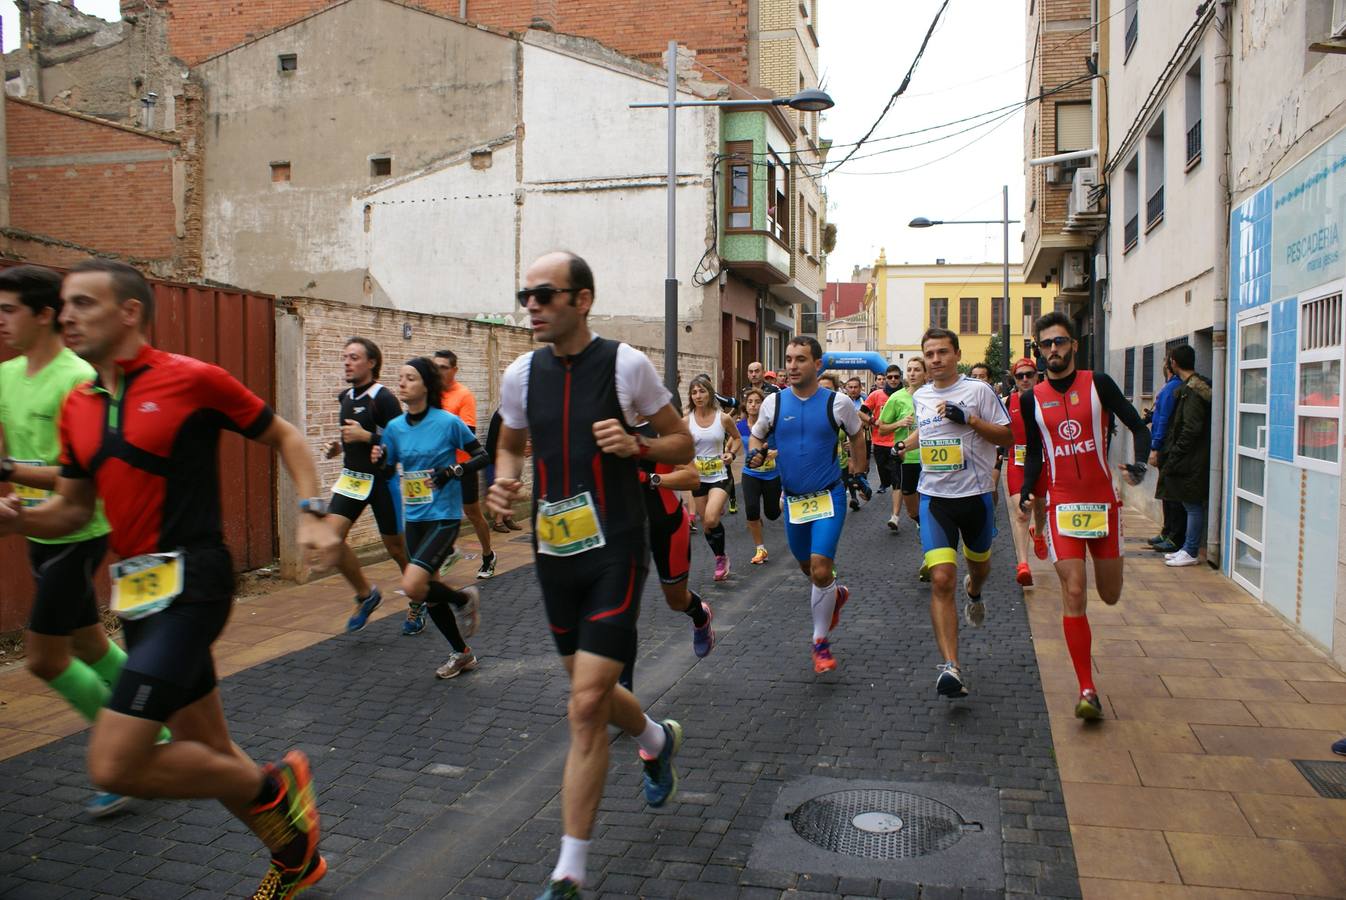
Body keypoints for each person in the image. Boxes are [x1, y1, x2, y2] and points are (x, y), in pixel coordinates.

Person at [0, 259, 341, 898]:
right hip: (136, 593)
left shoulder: (193, 380)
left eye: (83, 304)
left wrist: (313, 512)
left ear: (129, 312)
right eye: (64, 305)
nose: (67, 315)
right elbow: (73, 508)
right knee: (204, 745)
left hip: (195, 584)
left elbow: (287, 438)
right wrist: (14, 524)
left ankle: (276, 787)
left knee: (115, 763)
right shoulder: (79, 406)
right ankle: (296, 857)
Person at [486, 251, 694, 900]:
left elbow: (682, 442)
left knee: (583, 708)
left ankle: (569, 871)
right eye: (526, 296)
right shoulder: (519, 375)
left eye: (545, 295)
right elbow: (510, 441)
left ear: (582, 300)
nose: (532, 306)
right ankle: (658, 740)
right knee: (591, 692)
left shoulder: (627, 365)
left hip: (617, 549)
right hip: (555, 556)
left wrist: (639, 447)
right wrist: (503, 481)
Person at [0, 264, 153, 818]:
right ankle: (151, 732)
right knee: (88, 644)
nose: (0, 321)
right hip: (35, 529)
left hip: (80, 529)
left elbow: (78, 476)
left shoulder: (76, 380)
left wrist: (10, 471)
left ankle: (127, 756)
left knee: (43, 658)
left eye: (9, 310)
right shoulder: (7, 376)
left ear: (43, 315)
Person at [1017, 312, 1150, 719]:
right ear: (1038, 351)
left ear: (1073, 344)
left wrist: (1140, 464)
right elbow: (1037, 451)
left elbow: (1138, 427)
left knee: (1108, 595)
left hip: (1103, 504)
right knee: (1074, 591)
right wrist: (1026, 488)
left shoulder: (1099, 384)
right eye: (1045, 345)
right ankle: (1087, 690)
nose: (1053, 350)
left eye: (1059, 342)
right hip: (1062, 504)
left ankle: (1088, 684)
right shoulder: (1030, 399)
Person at [896, 328, 1011, 699]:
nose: (934, 360)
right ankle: (952, 667)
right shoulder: (922, 396)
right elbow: (929, 434)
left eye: (942, 352)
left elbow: (1007, 437)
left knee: (978, 569)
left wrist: (971, 420)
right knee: (942, 578)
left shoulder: (979, 392)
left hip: (976, 498)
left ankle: (974, 592)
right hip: (936, 500)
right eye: (929, 354)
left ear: (957, 354)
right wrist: (905, 444)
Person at [747, 336, 865, 675]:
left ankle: (819, 641)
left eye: (801, 359)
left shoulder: (838, 403)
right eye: (788, 359)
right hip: (795, 501)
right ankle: (835, 594)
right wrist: (756, 450)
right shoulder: (774, 404)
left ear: (818, 364)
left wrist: (858, 468)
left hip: (829, 494)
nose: (792, 365)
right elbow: (757, 434)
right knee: (809, 571)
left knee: (820, 568)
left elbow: (857, 434)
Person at [373, 358, 489, 677]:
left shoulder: (447, 422)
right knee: (427, 589)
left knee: (413, 585)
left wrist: (454, 470)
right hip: (415, 517)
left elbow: (482, 456)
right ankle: (461, 652)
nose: (402, 383)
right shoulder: (395, 428)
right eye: (400, 378)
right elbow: (386, 471)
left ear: (426, 384)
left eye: (410, 378)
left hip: (443, 516)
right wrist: (379, 459)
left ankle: (463, 599)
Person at [322, 337, 410, 634]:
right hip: (352, 480)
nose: (347, 362)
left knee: (396, 549)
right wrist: (338, 447)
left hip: (382, 481)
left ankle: (419, 599)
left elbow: (402, 440)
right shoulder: (345, 396)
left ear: (371, 363)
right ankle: (365, 594)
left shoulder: (383, 397)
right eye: (345, 356)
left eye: (354, 357)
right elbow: (352, 436)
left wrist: (369, 438)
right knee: (331, 541)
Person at [635, 425, 715, 658]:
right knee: (623, 604)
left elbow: (692, 478)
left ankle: (700, 616)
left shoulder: (663, 427)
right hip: (625, 528)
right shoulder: (607, 421)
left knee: (676, 600)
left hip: (666, 525)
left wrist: (650, 478)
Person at [433, 350, 498, 579]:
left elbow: (466, 433)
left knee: (472, 513)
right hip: (439, 468)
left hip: (462, 466)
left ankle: (488, 555)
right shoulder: (433, 395)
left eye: (443, 367)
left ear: (454, 370)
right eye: (436, 367)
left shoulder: (463, 395)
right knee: (437, 512)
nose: (438, 371)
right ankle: (450, 551)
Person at [1156, 344, 1211, 568]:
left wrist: (1175, 453)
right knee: (1188, 504)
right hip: (1189, 457)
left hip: (1191, 459)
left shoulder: (1192, 392)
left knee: (1192, 505)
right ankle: (1186, 547)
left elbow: (1190, 428)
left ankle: (1190, 549)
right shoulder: (1190, 388)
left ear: (1174, 363)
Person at [686, 374, 739, 581]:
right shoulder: (686, 419)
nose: (698, 396)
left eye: (702, 391)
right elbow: (677, 443)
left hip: (719, 475)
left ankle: (719, 558)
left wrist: (731, 454)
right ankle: (721, 556)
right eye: (694, 392)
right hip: (698, 478)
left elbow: (736, 439)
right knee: (707, 525)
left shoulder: (722, 418)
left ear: (710, 393)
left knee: (710, 518)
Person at [1005, 358, 1049, 586]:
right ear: (1014, 379)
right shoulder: (1007, 401)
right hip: (1018, 464)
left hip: (1042, 464)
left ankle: (1039, 533)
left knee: (1040, 510)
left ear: (1037, 376)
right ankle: (1023, 564)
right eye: (1020, 376)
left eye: (1029, 375)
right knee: (1022, 513)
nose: (1025, 379)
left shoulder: (1048, 400)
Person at [736, 387, 781, 564]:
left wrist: (775, 453)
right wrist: (729, 453)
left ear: (763, 405)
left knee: (772, 514)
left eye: (757, 402)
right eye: (750, 402)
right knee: (751, 510)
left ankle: (779, 503)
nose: (753, 405)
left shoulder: (772, 426)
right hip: (751, 474)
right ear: (745, 406)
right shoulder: (740, 426)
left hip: (772, 475)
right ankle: (760, 549)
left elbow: (785, 444)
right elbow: (732, 441)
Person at [1147, 357, 1185, 553]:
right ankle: (1167, 531)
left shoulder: (1172, 389)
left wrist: (1155, 446)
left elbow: (1163, 420)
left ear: (1171, 364)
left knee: (1171, 493)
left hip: (1168, 448)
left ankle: (1173, 536)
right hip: (1168, 447)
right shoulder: (1171, 387)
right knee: (1166, 492)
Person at [969, 363, 1005, 508]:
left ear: (989, 379)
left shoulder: (997, 400)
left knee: (990, 487)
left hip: (995, 449)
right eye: (974, 376)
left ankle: (991, 515)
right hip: (974, 450)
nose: (978, 380)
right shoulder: (965, 400)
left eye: (982, 376)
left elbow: (1004, 428)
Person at [864, 365, 903, 496]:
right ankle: (884, 483)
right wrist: (873, 421)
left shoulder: (906, 394)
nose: (893, 380)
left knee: (896, 472)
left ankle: (897, 491)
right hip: (879, 440)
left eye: (896, 377)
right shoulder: (876, 395)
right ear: (886, 378)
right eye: (890, 377)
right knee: (882, 469)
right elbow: (861, 413)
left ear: (900, 378)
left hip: (899, 441)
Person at [483, 409, 523, 533]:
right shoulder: (504, 414)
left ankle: (507, 518)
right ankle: (498, 522)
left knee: (512, 486)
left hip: (508, 458)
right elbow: (502, 440)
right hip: (496, 459)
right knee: (502, 488)